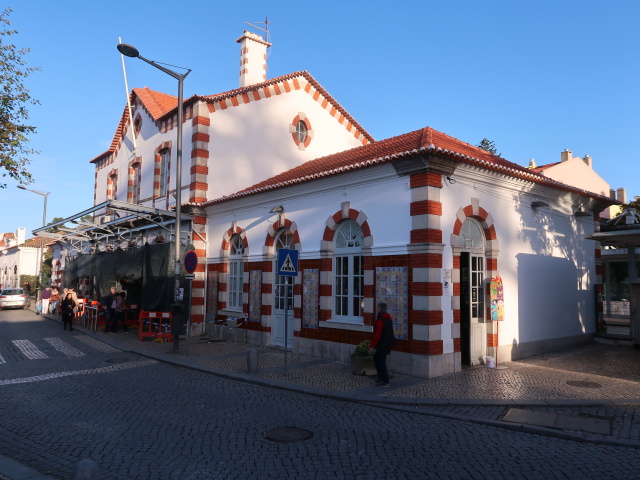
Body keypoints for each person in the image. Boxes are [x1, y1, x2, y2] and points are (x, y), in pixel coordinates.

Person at [369, 302, 397, 387]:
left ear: (379, 309)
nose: (376, 309)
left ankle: (385, 381)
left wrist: (371, 346)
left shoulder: (380, 320)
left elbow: (377, 335)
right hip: (386, 343)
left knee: (381, 362)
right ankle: (381, 378)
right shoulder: (388, 318)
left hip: (382, 344)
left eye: (377, 308)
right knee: (377, 359)